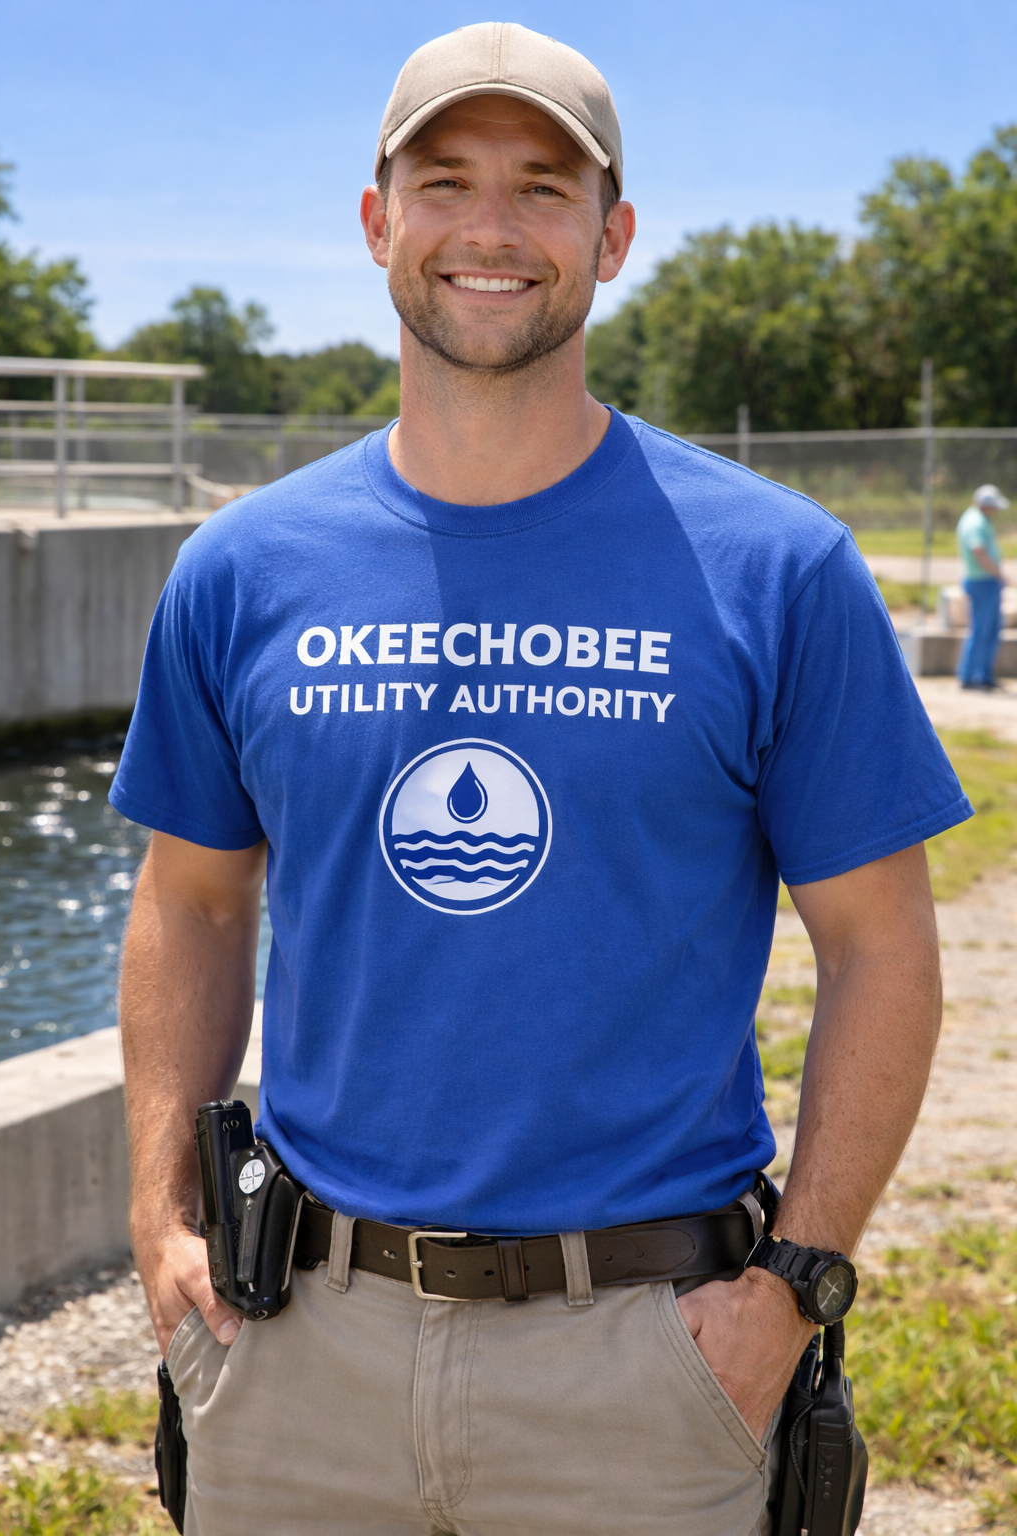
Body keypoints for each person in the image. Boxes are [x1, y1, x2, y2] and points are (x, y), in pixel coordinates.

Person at [112, 22, 972, 1536]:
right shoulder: (244, 572)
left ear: (613, 236)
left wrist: (793, 1291)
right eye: (443, 180)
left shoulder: (777, 572)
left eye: (544, 187)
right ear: (378, 224)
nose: (490, 227)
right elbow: (190, 903)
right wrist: (160, 1214)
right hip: (302, 1349)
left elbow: (883, 949)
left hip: (644, 1364)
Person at [956, 483, 1010, 690]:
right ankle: (970, 676)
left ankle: (984, 674)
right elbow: (978, 550)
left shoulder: (977, 519)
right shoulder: (975, 522)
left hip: (985, 581)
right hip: (982, 581)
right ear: (986, 505)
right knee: (981, 630)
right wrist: (998, 573)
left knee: (991, 629)